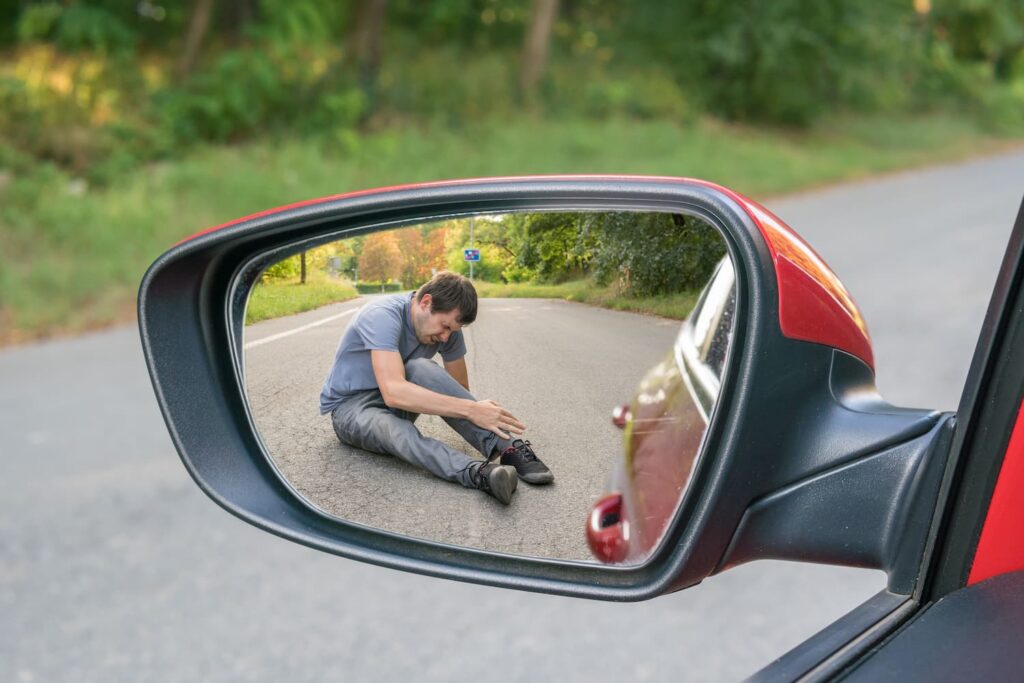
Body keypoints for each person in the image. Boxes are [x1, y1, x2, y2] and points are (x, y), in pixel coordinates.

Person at [319, 271, 554, 504]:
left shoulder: (448, 331)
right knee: (395, 429)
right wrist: (472, 409)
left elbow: (457, 389)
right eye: (444, 327)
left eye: (451, 330)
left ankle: (508, 448)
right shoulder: (382, 315)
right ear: (426, 302)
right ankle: (479, 473)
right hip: (351, 409)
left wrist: (474, 409)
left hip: (397, 401)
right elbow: (393, 392)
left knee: (420, 367)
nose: (445, 337)